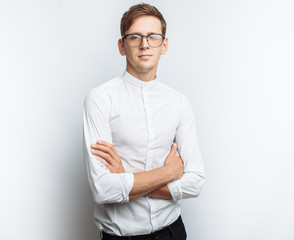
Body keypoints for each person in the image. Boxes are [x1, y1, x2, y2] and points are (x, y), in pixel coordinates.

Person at [83, 3, 204, 240]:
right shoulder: (100, 99)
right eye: (135, 36)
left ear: (164, 45)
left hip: (173, 232)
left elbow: (195, 182)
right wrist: (169, 172)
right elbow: (103, 189)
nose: (144, 44)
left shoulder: (179, 103)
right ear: (122, 45)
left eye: (153, 36)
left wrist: (125, 177)